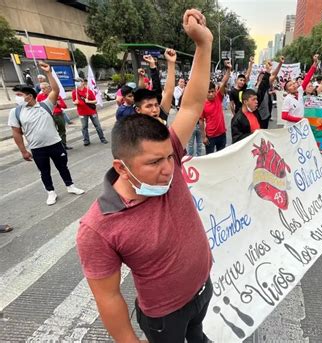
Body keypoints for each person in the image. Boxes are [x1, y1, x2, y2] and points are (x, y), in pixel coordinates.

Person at [76, 9, 213, 343]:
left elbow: (192, 105)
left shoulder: (169, 154)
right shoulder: (98, 228)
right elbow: (108, 297)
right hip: (164, 316)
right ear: (122, 167)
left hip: (203, 290)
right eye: (154, 163)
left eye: (170, 156)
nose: (169, 168)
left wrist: (204, 44)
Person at [9, 62, 85, 206]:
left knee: (63, 167)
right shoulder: (16, 112)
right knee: (44, 172)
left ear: (30, 96)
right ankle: (51, 192)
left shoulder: (45, 105)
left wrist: (49, 73)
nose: (17, 98)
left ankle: (70, 186)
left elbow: (55, 90)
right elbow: (16, 132)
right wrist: (23, 151)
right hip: (37, 148)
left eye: (19, 95)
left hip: (55, 144)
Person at [200, 60, 232, 154]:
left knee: (221, 157)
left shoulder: (218, 97)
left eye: (212, 91)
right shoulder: (202, 105)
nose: (211, 94)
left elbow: (224, 81)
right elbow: (201, 121)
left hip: (222, 134)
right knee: (210, 158)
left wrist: (229, 69)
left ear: (215, 91)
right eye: (208, 92)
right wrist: (203, 137)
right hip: (210, 136)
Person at [281, 54, 319, 126]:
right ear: (287, 90)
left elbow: (307, 77)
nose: (293, 86)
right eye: (290, 86)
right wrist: (300, 119)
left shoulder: (300, 91)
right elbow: (284, 116)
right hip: (291, 127)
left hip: (301, 125)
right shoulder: (287, 99)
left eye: (293, 84)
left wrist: (315, 63)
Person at [72, 78, 108, 146]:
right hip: (82, 112)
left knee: (97, 126)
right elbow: (74, 102)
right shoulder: (74, 92)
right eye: (75, 82)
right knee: (84, 127)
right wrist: (75, 102)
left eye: (78, 81)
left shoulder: (89, 91)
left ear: (82, 82)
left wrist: (89, 101)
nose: (76, 83)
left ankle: (102, 138)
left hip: (92, 111)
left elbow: (95, 101)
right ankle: (86, 141)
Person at [36, 82, 72, 150]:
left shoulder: (56, 95)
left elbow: (64, 106)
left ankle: (63, 145)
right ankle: (54, 147)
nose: (42, 90)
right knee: (51, 132)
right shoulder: (40, 97)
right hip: (48, 116)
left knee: (62, 130)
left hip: (58, 115)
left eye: (44, 88)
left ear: (49, 88)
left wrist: (58, 104)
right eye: (41, 89)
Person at [254, 56, 284, 129]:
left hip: (265, 115)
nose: (263, 78)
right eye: (261, 77)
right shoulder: (254, 88)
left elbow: (274, 75)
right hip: (256, 115)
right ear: (258, 78)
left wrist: (280, 63)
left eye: (264, 77)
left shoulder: (266, 83)